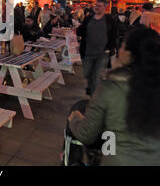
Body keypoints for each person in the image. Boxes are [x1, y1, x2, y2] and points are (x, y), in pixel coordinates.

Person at [68, 28, 160, 165]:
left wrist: (75, 119)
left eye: (123, 45)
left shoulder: (111, 87)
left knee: (77, 110)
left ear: (129, 54)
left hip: (118, 160)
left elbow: (86, 134)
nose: (119, 50)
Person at [77, 0, 117, 96]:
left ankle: (94, 97)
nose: (97, 7)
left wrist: (109, 48)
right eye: (96, 5)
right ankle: (91, 88)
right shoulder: (88, 18)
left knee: (97, 76)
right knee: (87, 74)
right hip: (88, 52)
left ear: (105, 7)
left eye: (99, 6)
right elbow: (81, 31)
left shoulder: (109, 19)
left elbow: (114, 34)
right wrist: (79, 28)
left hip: (102, 53)